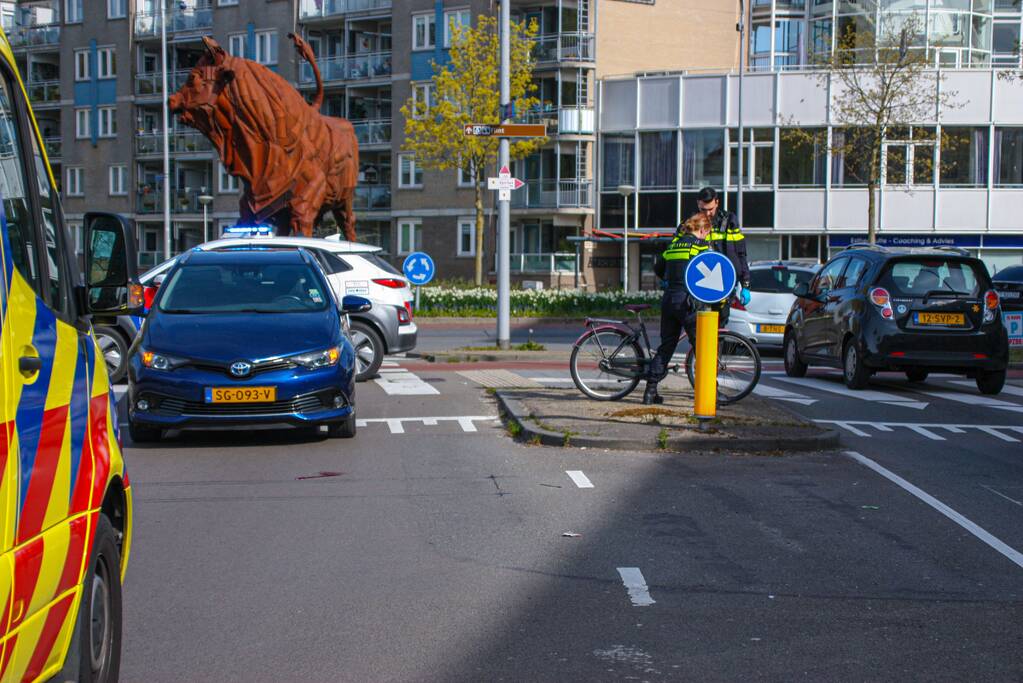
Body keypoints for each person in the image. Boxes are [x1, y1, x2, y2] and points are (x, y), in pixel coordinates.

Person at [644, 213, 713, 405]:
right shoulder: (700, 246)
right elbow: (711, 271)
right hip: (688, 301)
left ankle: (650, 391)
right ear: (702, 230)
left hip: (669, 300)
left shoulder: (674, 245)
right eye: (708, 233)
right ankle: (711, 391)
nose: (707, 236)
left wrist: (668, 278)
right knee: (702, 347)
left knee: (667, 346)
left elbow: (658, 266)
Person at [697, 187, 751, 324]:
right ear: (698, 204)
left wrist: (745, 284)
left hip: (724, 284)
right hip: (699, 283)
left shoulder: (728, 222)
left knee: (719, 330)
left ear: (717, 202)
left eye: (710, 209)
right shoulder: (692, 222)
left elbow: (740, 254)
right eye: (703, 210)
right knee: (699, 332)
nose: (708, 213)